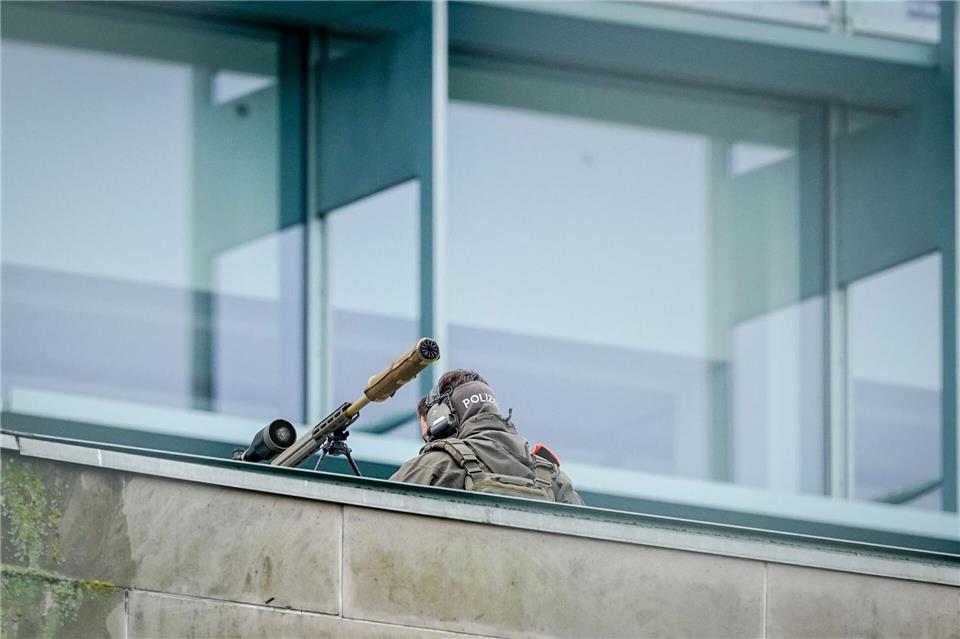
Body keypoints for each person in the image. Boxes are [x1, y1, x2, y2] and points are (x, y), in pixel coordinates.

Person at [390, 369, 584, 505]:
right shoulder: (555, 480)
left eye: (430, 436)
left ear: (441, 418)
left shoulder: (433, 466)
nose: (430, 442)